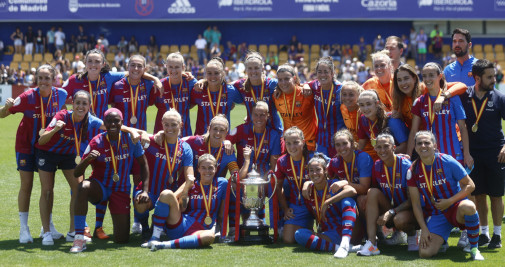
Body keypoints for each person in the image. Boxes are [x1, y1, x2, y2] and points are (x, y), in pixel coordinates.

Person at [0, 64, 67, 244]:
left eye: (47, 78)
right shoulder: (27, 96)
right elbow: (2, 115)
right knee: (26, 185)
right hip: (26, 147)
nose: (44, 81)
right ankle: (24, 229)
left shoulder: (61, 95)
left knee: (48, 187)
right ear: (36, 79)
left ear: (54, 79)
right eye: (41, 78)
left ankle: (48, 225)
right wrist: (6, 107)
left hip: (46, 148)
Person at [70, 108, 149, 252]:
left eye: (116, 121)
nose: (112, 124)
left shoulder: (130, 139)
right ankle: (79, 238)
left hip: (121, 190)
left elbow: (143, 164)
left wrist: (145, 190)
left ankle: (105, 229)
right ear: (104, 123)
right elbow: (77, 173)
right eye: (109, 121)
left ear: (122, 123)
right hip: (100, 187)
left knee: (122, 239)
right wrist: (87, 159)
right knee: (83, 187)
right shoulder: (97, 141)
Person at [35, 90, 108, 245]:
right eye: (78, 103)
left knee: (78, 189)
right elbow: (41, 140)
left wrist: (137, 133)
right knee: (47, 191)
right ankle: (46, 232)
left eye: (84, 103)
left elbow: (112, 126)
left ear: (89, 106)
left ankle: (73, 231)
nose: (80, 106)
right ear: (72, 104)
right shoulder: (62, 116)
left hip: (68, 156)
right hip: (47, 153)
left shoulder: (90, 119)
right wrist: (55, 129)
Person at [407, 131, 484, 260]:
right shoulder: (413, 170)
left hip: (456, 208)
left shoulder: (447, 161)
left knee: (469, 206)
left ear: (435, 146)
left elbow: (470, 185)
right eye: (419, 143)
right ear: (415, 147)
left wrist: (449, 201)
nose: (423, 146)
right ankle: (442, 240)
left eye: (427, 142)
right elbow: (416, 204)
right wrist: (424, 229)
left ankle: (474, 248)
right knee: (425, 253)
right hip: (437, 214)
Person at [459, 59, 505, 249]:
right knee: (478, 195)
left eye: (494, 76)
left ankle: (497, 235)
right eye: (489, 77)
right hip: (473, 155)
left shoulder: (499, 97)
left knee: (496, 195)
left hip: (497, 153)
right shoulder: (465, 96)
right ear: (477, 78)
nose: (493, 80)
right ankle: (484, 233)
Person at [142, 154, 227, 250]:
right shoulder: (192, 184)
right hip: (182, 224)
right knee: (166, 194)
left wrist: (223, 233)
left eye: (210, 168)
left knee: (209, 237)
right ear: (198, 169)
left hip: (200, 230)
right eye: (203, 168)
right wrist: (186, 189)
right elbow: (182, 208)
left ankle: (162, 245)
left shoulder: (222, 183)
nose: (207, 171)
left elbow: (222, 212)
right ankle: (154, 238)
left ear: (216, 168)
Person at [134, 109, 194, 240]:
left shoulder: (185, 148)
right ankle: (145, 228)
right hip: (148, 191)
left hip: (169, 193)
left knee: (185, 204)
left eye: (174, 124)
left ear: (181, 124)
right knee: (140, 203)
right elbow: (123, 129)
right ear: (162, 124)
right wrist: (141, 132)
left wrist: (173, 196)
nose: (170, 128)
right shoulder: (152, 141)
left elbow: (189, 178)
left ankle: (161, 224)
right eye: (166, 124)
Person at [357, 133, 419, 256]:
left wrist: (390, 212)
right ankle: (372, 242)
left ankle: (413, 234)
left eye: (386, 146)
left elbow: (413, 200)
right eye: (379, 147)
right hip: (391, 208)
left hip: (411, 210)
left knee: (399, 219)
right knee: (370, 194)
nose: (382, 150)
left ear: (394, 148)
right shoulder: (377, 165)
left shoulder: (406, 166)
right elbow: (374, 191)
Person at [407, 62, 472, 171]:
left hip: (454, 153)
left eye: (431, 75)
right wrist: (408, 157)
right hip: (430, 155)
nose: (427, 79)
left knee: (458, 187)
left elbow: (462, 128)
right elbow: (414, 131)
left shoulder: (453, 98)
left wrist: (467, 154)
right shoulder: (420, 101)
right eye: (425, 76)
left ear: (440, 76)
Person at [295, 154, 357, 258]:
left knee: (348, 201)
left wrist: (327, 202)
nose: (314, 173)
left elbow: (352, 190)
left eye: (318, 170)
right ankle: (340, 248)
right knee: (298, 234)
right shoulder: (308, 190)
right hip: (325, 233)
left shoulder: (333, 184)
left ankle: (345, 242)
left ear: (325, 171)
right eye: (311, 170)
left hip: (345, 230)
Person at [275, 127, 327, 243]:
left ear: (303, 142)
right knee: (288, 239)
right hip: (298, 205)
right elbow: (278, 186)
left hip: (320, 203)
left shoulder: (314, 157)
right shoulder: (282, 161)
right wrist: (285, 208)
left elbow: (330, 173)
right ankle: (309, 228)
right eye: (288, 143)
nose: (292, 147)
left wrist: (310, 182)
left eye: (296, 142)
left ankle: (320, 229)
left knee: (331, 233)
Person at [327, 129, 373, 243]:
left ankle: (372, 234)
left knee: (363, 200)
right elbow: (326, 180)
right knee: (331, 195)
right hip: (351, 197)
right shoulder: (334, 162)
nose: (341, 148)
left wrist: (345, 182)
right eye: (338, 145)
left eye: (344, 144)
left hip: (367, 196)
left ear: (352, 144)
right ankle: (330, 227)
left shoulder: (363, 157)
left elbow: (364, 188)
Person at [232, 51, 283, 134]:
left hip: (274, 130)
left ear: (262, 68)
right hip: (252, 131)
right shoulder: (240, 85)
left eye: (256, 68)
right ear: (246, 70)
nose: (253, 71)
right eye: (250, 68)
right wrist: (203, 81)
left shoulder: (273, 84)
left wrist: (306, 86)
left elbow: (294, 85)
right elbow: (222, 86)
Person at [190, 57, 243, 136]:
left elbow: (248, 102)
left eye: (216, 73)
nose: (213, 76)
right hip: (201, 140)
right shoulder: (198, 90)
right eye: (209, 73)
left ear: (222, 74)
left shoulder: (231, 91)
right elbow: (185, 106)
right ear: (205, 74)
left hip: (223, 139)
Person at [304, 57, 345, 157]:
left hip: (339, 140)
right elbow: (304, 84)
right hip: (321, 140)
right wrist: (305, 86)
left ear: (332, 73)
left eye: (326, 72)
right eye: (319, 72)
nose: (322, 75)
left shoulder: (341, 89)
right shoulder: (315, 86)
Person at [273, 65, 317, 151]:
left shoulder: (306, 93)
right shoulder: (276, 96)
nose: (283, 83)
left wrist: (307, 84)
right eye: (280, 80)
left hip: (308, 144)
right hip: (289, 145)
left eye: (286, 79)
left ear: (294, 78)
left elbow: (320, 83)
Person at [357, 90, 409, 161]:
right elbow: (361, 144)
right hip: (382, 160)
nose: (365, 108)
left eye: (368, 104)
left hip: (399, 160)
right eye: (362, 105)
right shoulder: (363, 119)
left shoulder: (392, 120)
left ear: (377, 103)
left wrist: (384, 152)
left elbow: (405, 147)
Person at [154, 52, 197, 137]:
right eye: (170, 67)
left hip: (185, 134)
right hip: (162, 135)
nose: (173, 71)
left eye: (177, 67)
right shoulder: (159, 85)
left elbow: (193, 101)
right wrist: (153, 78)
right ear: (166, 67)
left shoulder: (191, 83)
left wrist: (202, 81)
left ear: (183, 67)